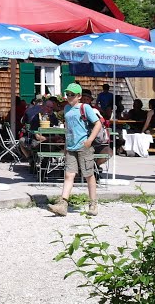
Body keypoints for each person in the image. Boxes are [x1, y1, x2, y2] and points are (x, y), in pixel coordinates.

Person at [48, 83, 101, 217]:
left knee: (88, 175)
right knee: (68, 175)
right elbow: (68, 128)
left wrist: (89, 140)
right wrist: (66, 145)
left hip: (84, 146)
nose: (69, 97)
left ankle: (93, 204)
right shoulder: (66, 109)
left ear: (79, 96)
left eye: (72, 95)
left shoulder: (85, 107)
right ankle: (63, 205)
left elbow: (98, 123)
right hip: (71, 146)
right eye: (67, 94)